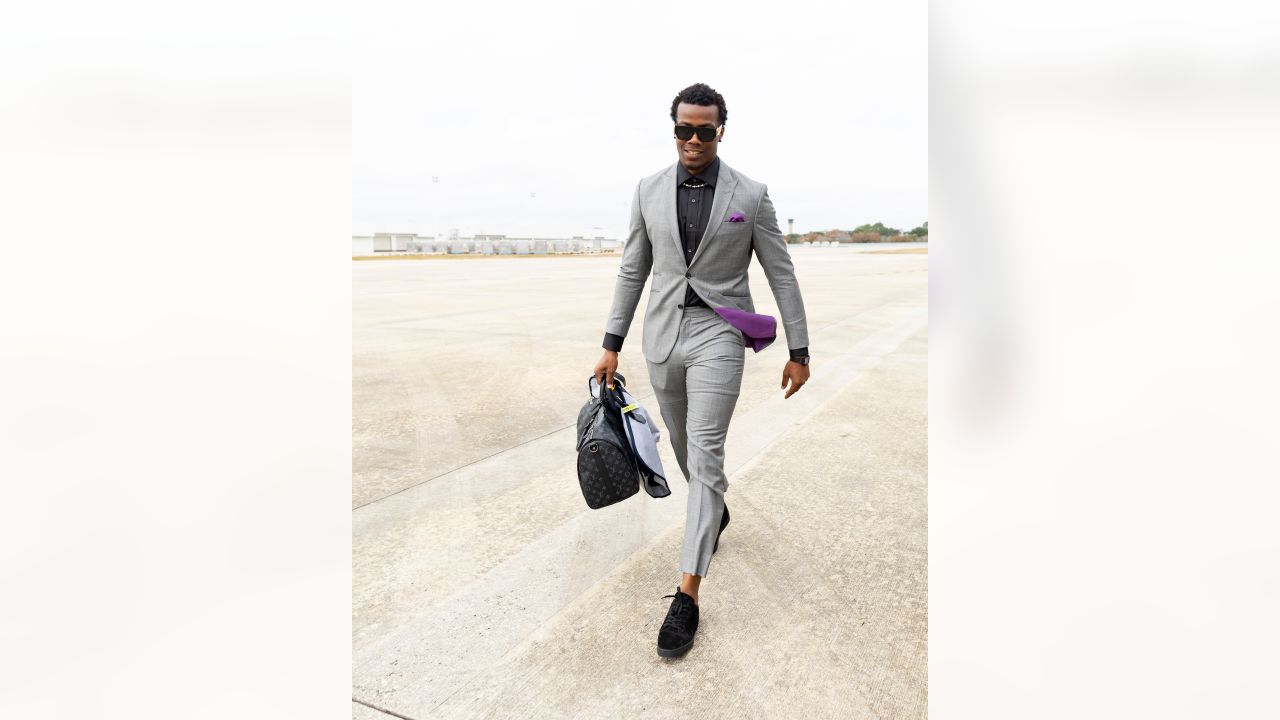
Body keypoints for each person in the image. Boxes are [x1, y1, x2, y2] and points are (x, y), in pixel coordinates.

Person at [592, 82, 811, 658]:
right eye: (684, 129)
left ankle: (687, 592)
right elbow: (631, 270)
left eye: (704, 131)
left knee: (707, 450)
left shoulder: (751, 194)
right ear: (674, 129)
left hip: (719, 332)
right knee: (686, 446)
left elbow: (781, 274)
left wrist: (799, 349)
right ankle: (713, 506)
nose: (693, 139)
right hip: (662, 335)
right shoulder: (647, 190)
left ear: (720, 131)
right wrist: (611, 343)